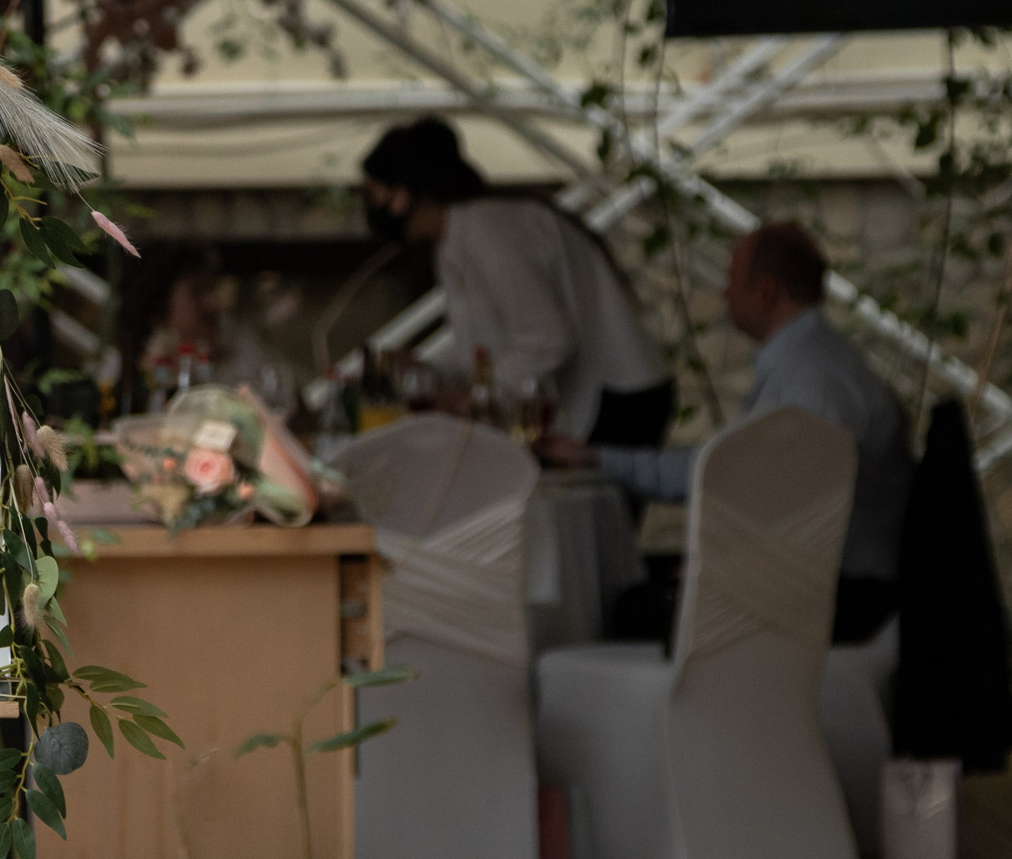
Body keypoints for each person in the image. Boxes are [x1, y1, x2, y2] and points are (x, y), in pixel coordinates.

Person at [540, 222, 912, 644]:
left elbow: (784, 501)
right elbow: (725, 466)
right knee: (632, 586)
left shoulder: (813, 380)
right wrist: (597, 458)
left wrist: (718, 563)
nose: (724, 294)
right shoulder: (812, 363)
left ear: (767, 291)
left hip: (842, 595)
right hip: (828, 578)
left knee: (626, 608)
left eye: (733, 281)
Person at [363, 118, 673, 445]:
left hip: (622, 396)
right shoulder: (455, 240)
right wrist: (426, 366)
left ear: (405, 191)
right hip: (599, 397)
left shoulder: (488, 231)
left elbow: (548, 338)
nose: (373, 209)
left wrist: (476, 396)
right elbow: (482, 343)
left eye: (375, 193)